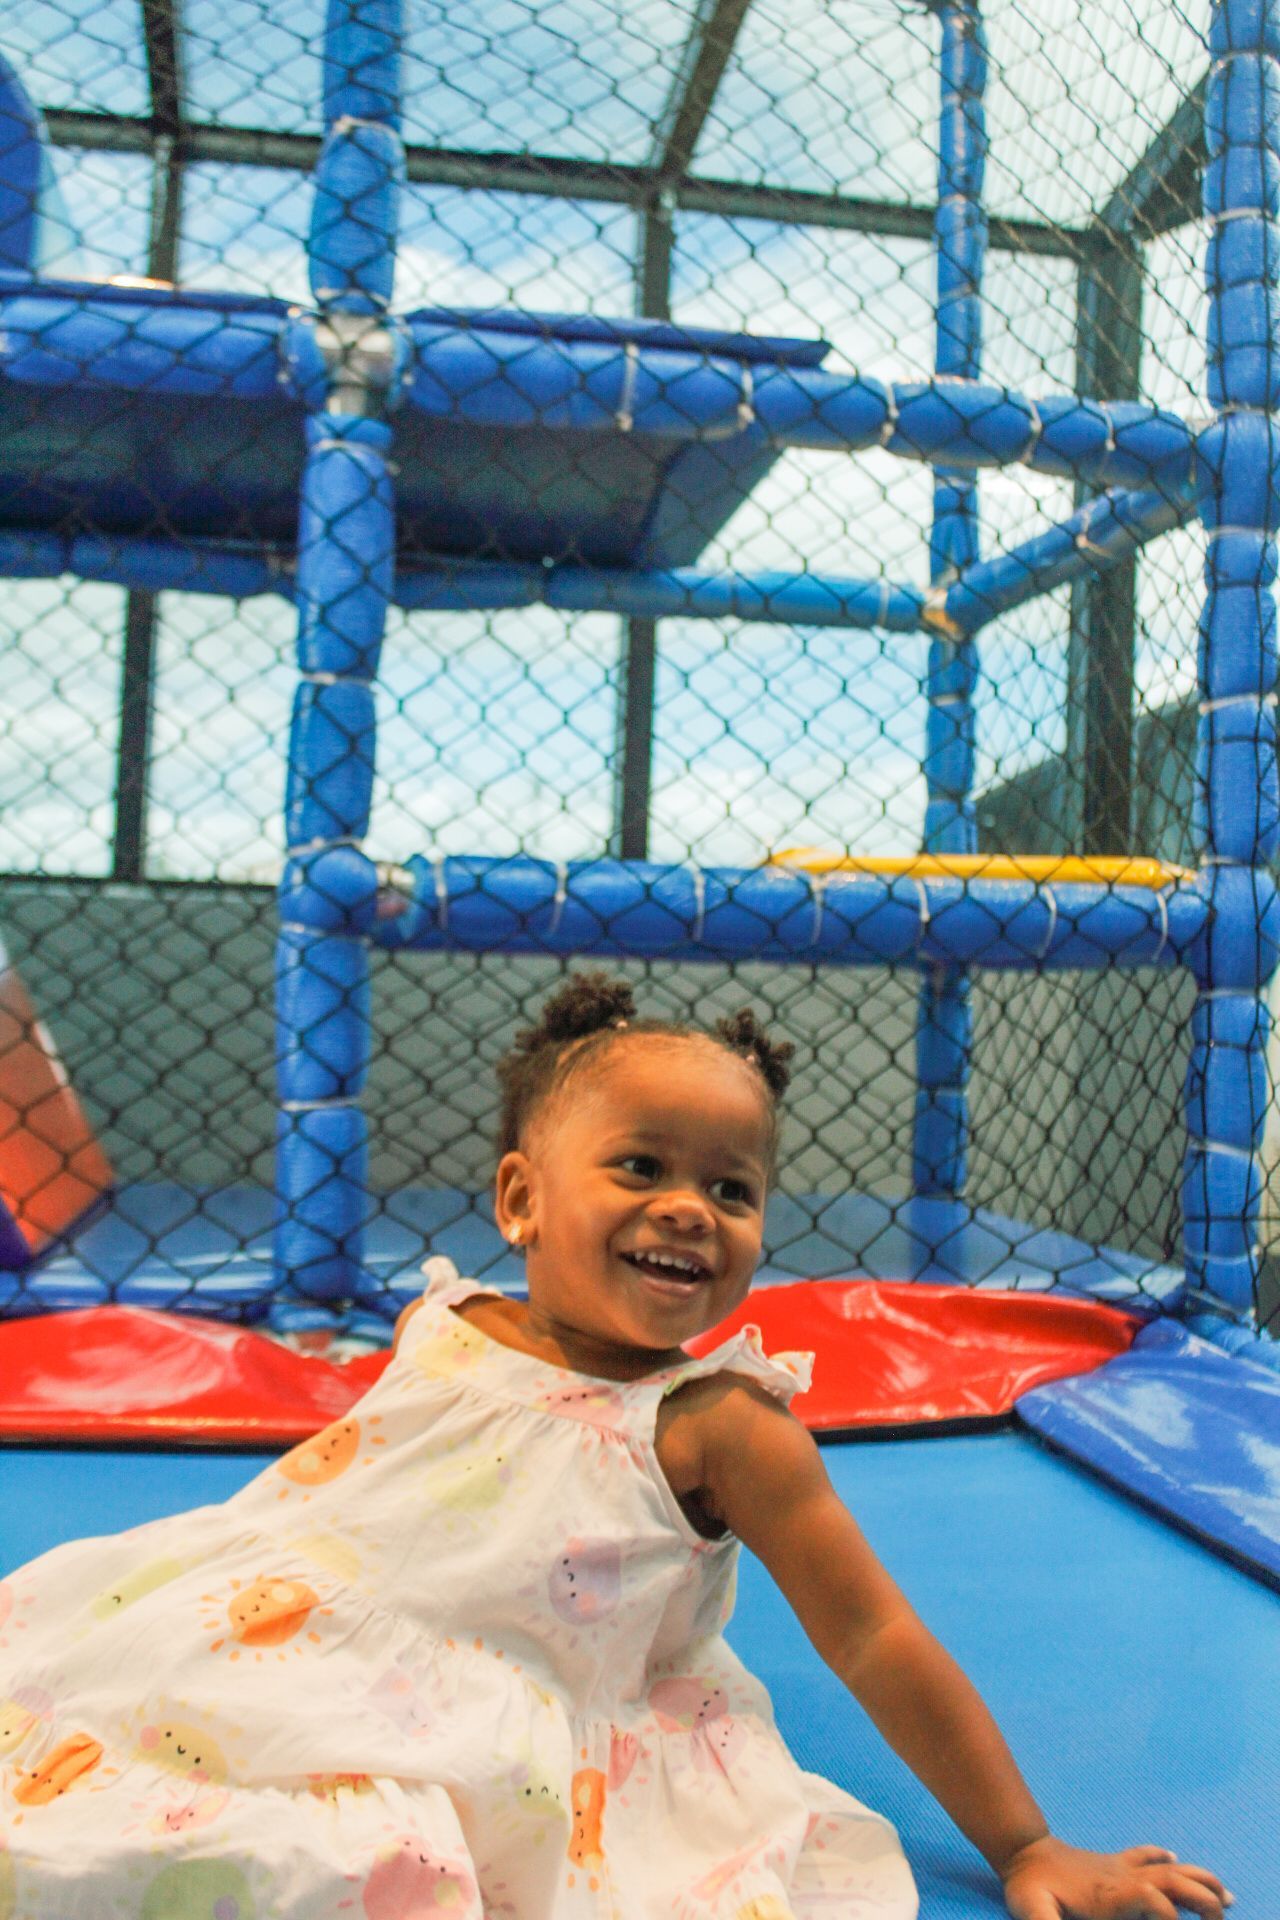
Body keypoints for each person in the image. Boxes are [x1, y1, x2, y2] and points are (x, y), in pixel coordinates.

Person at [0, 971, 1232, 1920]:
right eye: (639, 1167)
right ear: (520, 1199)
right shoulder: (448, 1322)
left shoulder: (718, 1429)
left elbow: (873, 1635)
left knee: (336, 1866)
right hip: (300, 1620)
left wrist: (1023, 1843)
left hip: (513, 1707)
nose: (689, 1206)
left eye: (731, 1189)